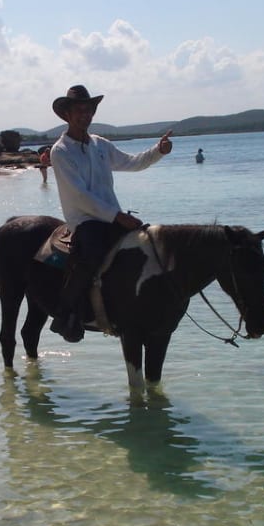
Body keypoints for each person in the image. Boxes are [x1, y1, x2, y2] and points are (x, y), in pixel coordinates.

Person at [48, 84, 173, 342]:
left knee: (145, 246)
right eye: (79, 110)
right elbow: (80, 196)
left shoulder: (100, 145)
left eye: (89, 110)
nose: (85, 115)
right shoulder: (60, 151)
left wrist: (158, 151)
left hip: (112, 217)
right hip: (85, 221)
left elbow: (132, 162)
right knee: (91, 257)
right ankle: (66, 314)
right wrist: (118, 216)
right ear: (67, 115)